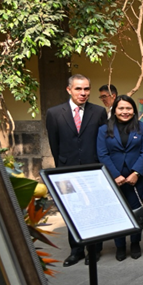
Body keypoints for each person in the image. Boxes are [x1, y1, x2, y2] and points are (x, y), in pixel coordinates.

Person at [46, 74, 107, 266]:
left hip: (93, 169)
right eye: (79, 89)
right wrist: (61, 168)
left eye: (87, 89)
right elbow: (54, 145)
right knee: (73, 210)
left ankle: (94, 249)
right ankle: (76, 249)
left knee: (94, 208)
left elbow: (102, 141)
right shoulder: (54, 113)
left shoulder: (98, 112)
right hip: (67, 169)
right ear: (69, 89)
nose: (83, 93)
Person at [97, 95, 143, 261]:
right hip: (114, 178)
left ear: (134, 110)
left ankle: (135, 242)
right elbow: (102, 154)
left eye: (128, 108)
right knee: (117, 211)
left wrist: (136, 173)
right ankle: (120, 245)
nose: (125, 112)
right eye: (121, 108)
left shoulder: (142, 128)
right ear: (114, 110)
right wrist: (116, 175)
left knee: (136, 210)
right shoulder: (103, 129)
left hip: (136, 177)